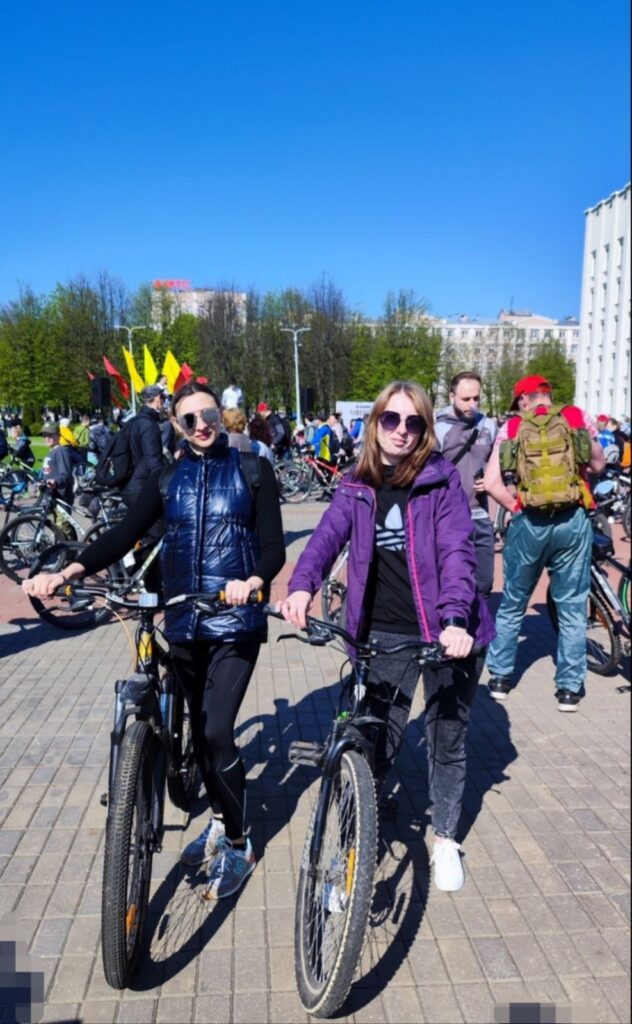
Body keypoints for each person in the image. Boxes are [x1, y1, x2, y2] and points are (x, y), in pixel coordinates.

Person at [23, 381, 286, 899]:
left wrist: (253, 581)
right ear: (176, 425)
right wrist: (68, 571)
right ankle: (219, 818)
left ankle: (240, 843)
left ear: (221, 414)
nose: (201, 426)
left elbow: (274, 546)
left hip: (234, 620)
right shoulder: (168, 478)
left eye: (208, 415)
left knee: (216, 731)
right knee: (199, 737)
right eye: (189, 420)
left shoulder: (253, 470)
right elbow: (122, 534)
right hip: (183, 619)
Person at [278, 380, 495, 892]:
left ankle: (445, 838)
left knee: (446, 740)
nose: (401, 431)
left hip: (448, 631)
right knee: (376, 742)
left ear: (425, 430)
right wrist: (302, 586)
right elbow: (326, 537)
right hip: (383, 632)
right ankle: (358, 844)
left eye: (413, 422)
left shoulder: (441, 481)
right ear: (375, 423)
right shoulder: (357, 483)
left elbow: (457, 553)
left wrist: (455, 620)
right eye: (391, 419)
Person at [484, 374, 605, 712]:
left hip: (529, 523)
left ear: (524, 399)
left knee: (513, 601)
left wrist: (516, 506)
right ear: (548, 395)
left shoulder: (512, 427)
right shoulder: (576, 417)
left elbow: (492, 483)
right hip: (573, 520)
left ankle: (500, 679)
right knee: (572, 606)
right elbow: (598, 463)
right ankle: (569, 690)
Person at [435, 372, 497, 597]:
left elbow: (500, 467)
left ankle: (480, 618)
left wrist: (491, 477)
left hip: (480, 516)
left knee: (484, 585)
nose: (472, 404)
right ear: (452, 396)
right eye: (466, 399)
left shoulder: (489, 426)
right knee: (451, 584)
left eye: (476, 398)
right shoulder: (437, 429)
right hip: (448, 518)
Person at [122, 384, 167, 508]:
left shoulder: (136, 420)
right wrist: (164, 485)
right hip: (141, 486)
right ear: (157, 399)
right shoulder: (149, 424)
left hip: (131, 483)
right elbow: (153, 460)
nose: (164, 402)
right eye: (163, 398)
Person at [41, 422, 75, 505]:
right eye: (44, 435)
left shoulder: (61, 452)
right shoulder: (52, 451)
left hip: (61, 497)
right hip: (51, 495)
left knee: (60, 514)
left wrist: (55, 482)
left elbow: (65, 475)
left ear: (58, 436)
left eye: (50, 435)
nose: (47, 438)